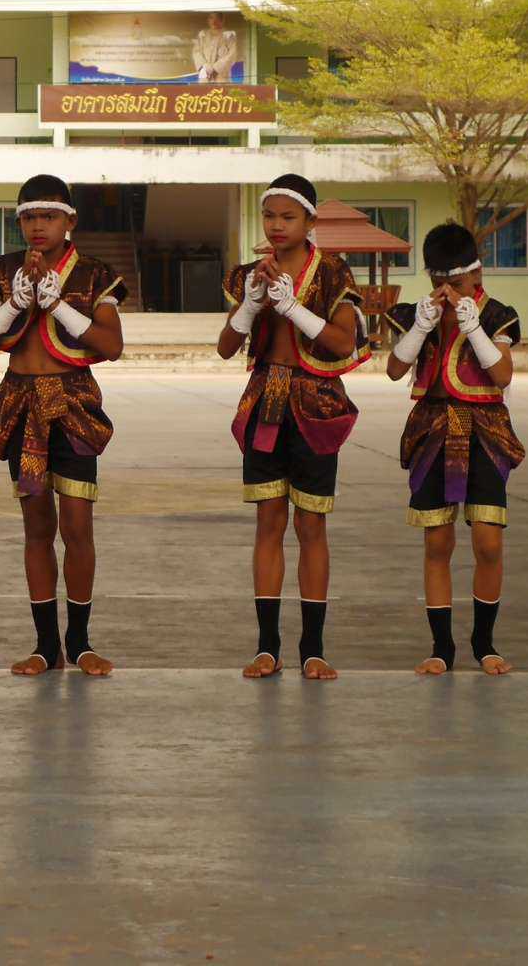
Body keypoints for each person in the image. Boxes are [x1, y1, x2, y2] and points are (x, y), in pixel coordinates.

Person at [0, 174, 126, 676]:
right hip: (20, 403)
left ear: (69, 220)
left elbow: (112, 346)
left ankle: (80, 642)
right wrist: (15, 302)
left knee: (77, 525)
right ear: (19, 221)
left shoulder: (94, 274)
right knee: (37, 526)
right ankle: (45, 645)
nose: (39, 226)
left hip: (73, 403)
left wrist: (58, 306)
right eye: (30, 217)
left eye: (49, 216)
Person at [217, 174, 364, 681]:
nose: (277, 225)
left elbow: (343, 343)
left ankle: (314, 649)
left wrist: (293, 307)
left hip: (316, 405)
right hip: (266, 403)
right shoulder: (249, 274)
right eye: (269, 216)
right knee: (268, 523)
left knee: (312, 526)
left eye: (288, 216)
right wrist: (252, 303)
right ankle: (267, 647)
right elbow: (225, 348)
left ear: (309, 221)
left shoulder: (333, 272)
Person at [384, 222, 523, 677]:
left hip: (485, 430)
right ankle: (441, 646)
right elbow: (394, 369)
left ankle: (485, 642)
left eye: (458, 283)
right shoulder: (417, 313)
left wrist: (473, 326)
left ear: (477, 274)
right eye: (439, 282)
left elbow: (502, 375)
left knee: (489, 541)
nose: (448, 292)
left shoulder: (497, 313)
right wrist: (421, 326)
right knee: (437, 540)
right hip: (433, 428)